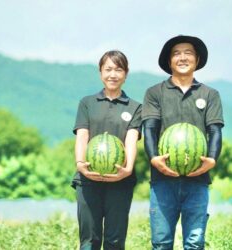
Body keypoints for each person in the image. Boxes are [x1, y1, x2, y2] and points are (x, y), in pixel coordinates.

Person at [142, 35, 224, 249]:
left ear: (197, 60)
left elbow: (215, 131)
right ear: (169, 61)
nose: (182, 57)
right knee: (161, 243)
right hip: (162, 181)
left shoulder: (210, 94)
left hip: (197, 181)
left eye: (188, 53)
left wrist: (212, 160)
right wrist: (154, 159)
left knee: (195, 243)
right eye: (176, 53)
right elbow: (149, 128)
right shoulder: (154, 93)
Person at [72, 50, 142, 250]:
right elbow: (82, 135)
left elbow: (131, 140)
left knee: (115, 240)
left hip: (121, 181)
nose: (113, 74)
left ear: (126, 74)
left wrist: (127, 169)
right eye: (108, 69)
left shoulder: (135, 107)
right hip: (87, 179)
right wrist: (80, 165)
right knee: (89, 240)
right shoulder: (87, 103)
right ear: (100, 72)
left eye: (118, 69)